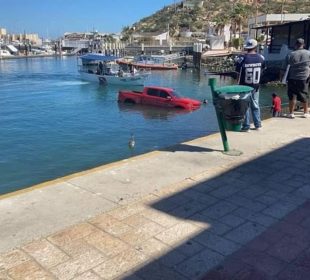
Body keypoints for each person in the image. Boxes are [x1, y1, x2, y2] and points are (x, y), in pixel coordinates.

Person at [235, 38, 266, 131]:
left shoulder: (242, 58)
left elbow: (237, 72)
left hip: (244, 87)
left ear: (246, 48)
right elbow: (263, 69)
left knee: (245, 107)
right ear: (255, 47)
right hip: (256, 86)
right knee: (255, 105)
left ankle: (246, 126)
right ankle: (258, 125)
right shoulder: (261, 58)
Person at [282, 38, 310, 118]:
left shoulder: (290, 54)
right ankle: (305, 112)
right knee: (304, 94)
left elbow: (283, 68)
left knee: (292, 95)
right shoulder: (308, 53)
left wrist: (282, 79)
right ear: (303, 45)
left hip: (292, 77)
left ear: (296, 45)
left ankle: (291, 113)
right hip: (304, 77)